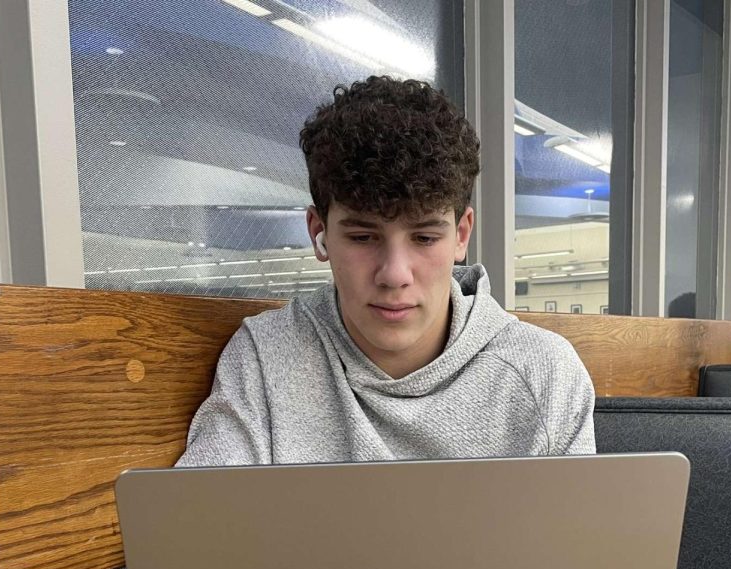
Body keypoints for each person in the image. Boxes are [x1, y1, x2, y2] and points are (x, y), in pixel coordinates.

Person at [176, 76, 595, 467]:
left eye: (425, 238)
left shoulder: (544, 372)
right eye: (362, 237)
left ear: (461, 235)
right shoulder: (265, 357)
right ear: (319, 233)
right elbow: (200, 533)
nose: (394, 275)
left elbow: (585, 543)